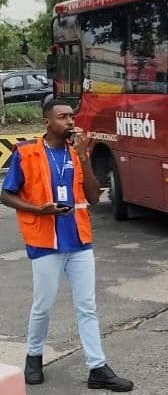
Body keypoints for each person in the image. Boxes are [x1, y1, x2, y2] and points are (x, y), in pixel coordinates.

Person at [0, 99, 133, 392]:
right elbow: (5, 195)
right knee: (42, 306)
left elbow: (95, 198)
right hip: (45, 242)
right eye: (62, 117)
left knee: (87, 306)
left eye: (71, 116)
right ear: (47, 122)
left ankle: (97, 367)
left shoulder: (76, 153)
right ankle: (33, 357)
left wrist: (85, 156)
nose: (70, 121)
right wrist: (38, 210)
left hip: (79, 241)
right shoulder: (27, 153)